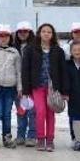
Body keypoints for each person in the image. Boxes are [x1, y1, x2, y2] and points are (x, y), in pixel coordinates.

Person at [21, 23, 69, 152]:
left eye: (49, 32)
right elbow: (25, 70)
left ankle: (50, 140)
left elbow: (63, 71)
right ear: (39, 33)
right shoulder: (30, 49)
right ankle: (40, 138)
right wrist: (26, 90)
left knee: (50, 113)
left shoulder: (58, 50)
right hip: (37, 86)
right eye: (43, 31)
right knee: (40, 112)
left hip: (53, 88)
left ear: (52, 34)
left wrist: (64, 91)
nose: (46, 34)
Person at [13, 21, 37, 146]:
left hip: (32, 84)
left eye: (25, 31)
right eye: (20, 32)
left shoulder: (35, 47)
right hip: (17, 84)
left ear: (30, 32)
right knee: (20, 111)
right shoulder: (13, 47)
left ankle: (32, 136)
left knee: (33, 112)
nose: (22, 34)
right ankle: (20, 135)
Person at [66, 41, 80, 151]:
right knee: (74, 117)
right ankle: (75, 139)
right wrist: (65, 93)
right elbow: (65, 80)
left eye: (79, 50)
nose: (77, 52)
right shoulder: (68, 65)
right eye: (74, 50)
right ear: (71, 52)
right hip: (72, 96)